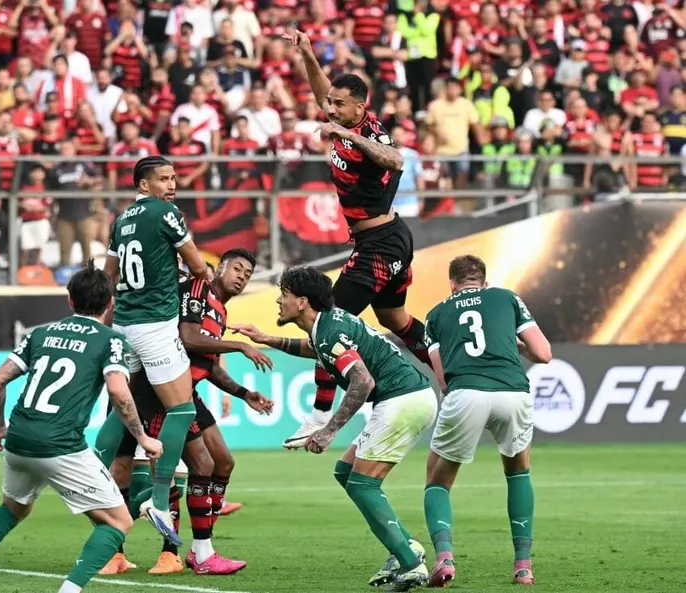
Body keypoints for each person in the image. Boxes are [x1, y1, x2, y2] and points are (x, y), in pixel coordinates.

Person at [0, 262, 163, 593]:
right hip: (61, 445)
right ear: (110, 303)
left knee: (12, 509)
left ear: (70, 300)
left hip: (19, 440)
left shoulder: (39, 333)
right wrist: (142, 437)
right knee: (119, 522)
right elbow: (117, 390)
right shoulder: (111, 340)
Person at [232, 266, 437, 591]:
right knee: (346, 472)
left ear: (301, 302)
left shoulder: (328, 330)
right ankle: (405, 548)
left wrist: (328, 430)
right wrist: (266, 338)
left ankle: (411, 564)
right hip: (407, 397)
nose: (278, 302)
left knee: (362, 485)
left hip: (403, 400)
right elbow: (316, 349)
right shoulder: (327, 325)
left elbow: (362, 380)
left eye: (283, 295)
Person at [281, 29, 432, 450]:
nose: (330, 108)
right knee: (393, 320)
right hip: (382, 240)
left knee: (329, 319)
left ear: (360, 108)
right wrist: (308, 54)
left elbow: (395, 158)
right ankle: (446, 367)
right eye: (331, 103)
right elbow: (321, 91)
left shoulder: (369, 132)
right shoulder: (339, 115)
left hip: (381, 243)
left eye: (339, 104)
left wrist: (352, 138)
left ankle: (318, 415)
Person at [104, 248, 273, 576]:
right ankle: (174, 550)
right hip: (162, 391)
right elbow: (189, 338)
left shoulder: (219, 310)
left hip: (185, 393)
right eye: (236, 268)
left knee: (220, 461)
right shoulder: (198, 288)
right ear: (219, 267)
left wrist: (243, 393)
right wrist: (241, 345)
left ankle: (196, 541)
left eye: (248, 274)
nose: (241, 276)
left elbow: (207, 363)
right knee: (143, 468)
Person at [95, 156, 212, 546]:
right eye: (163, 179)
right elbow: (198, 267)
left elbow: (108, 277)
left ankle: (93, 475)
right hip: (156, 327)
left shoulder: (121, 220)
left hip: (124, 326)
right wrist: (197, 270)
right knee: (182, 409)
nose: (172, 184)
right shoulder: (168, 213)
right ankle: (160, 500)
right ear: (144, 185)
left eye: (174, 178)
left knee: (125, 406)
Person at [422, 255, 552, 587]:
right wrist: (514, 345)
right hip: (513, 391)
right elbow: (543, 353)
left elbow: (442, 380)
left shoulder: (436, 314)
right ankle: (523, 566)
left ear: (452, 284)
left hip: (466, 392)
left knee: (437, 481)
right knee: (518, 471)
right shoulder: (506, 298)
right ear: (484, 281)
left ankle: (445, 558)